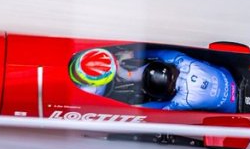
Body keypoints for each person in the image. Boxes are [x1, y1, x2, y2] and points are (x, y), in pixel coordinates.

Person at [70, 47, 237, 112]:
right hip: (228, 74)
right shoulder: (180, 61)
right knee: (134, 72)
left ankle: (127, 74)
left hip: (232, 107)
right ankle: (127, 74)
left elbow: (157, 109)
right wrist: (131, 55)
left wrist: (133, 108)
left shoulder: (183, 99)